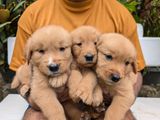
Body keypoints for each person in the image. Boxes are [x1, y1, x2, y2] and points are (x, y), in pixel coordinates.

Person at [10, 0, 145, 119]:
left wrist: (119, 95)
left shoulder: (119, 13)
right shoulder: (34, 13)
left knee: (124, 117)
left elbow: (135, 71)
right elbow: (22, 71)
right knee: (35, 117)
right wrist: (32, 98)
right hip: (53, 100)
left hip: (103, 103)